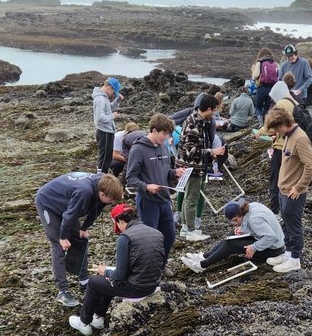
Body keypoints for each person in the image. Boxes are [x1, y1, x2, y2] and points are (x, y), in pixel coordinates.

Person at [69, 204, 166, 336]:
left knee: (94, 281)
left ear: (120, 221)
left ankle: (84, 322)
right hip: (152, 284)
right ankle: (98, 318)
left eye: (117, 224)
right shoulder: (156, 232)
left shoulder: (125, 238)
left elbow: (119, 275)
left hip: (137, 288)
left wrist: (105, 271)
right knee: (107, 282)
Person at [35, 171, 124, 307]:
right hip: (48, 203)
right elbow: (69, 215)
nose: (112, 203)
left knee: (80, 239)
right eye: (111, 200)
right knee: (59, 246)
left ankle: (84, 281)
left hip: (67, 204)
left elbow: (97, 208)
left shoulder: (104, 185)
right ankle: (63, 291)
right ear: (102, 194)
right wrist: (63, 237)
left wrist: (84, 228)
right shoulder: (85, 192)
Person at [264, 106, 312, 273]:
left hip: (294, 192)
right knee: (286, 225)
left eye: (276, 129)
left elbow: (311, 165)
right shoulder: (287, 134)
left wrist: (299, 187)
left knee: (294, 226)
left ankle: (295, 259)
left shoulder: (300, 139)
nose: (276, 132)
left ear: (283, 124)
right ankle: (287, 253)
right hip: (283, 190)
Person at [125, 113, 183, 263]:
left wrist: (175, 173)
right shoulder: (138, 149)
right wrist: (146, 186)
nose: (165, 137)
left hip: (164, 199)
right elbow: (130, 177)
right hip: (147, 201)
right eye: (164, 134)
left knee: (169, 235)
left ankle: (161, 264)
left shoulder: (164, 148)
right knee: (151, 239)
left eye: (168, 134)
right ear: (154, 130)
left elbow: (165, 171)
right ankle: (148, 268)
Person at [181, 198, 285, 274]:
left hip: (273, 250)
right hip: (265, 241)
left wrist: (254, 247)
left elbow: (271, 237)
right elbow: (256, 226)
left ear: (240, 213)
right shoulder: (251, 207)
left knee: (232, 245)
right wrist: (243, 229)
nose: (235, 223)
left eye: (235, 220)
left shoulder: (254, 220)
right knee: (232, 235)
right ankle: (205, 256)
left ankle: (201, 265)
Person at [179, 94, 223, 241]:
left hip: (194, 166)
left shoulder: (199, 121)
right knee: (191, 198)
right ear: (209, 109)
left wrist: (210, 154)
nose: (214, 114)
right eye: (214, 111)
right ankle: (190, 231)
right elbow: (190, 151)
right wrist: (212, 152)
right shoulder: (194, 124)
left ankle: (186, 228)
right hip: (192, 167)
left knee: (188, 197)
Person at [93, 76, 122, 172]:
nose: (113, 94)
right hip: (103, 131)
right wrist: (113, 116)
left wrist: (117, 100)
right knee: (104, 157)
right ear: (109, 87)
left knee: (107, 156)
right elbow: (100, 118)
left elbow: (109, 109)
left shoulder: (103, 98)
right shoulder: (100, 99)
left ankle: (102, 176)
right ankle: (100, 177)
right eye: (113, 92)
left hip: (107, 131)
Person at [252, 47, 280, 124]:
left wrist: (253, 78)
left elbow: (255, 75)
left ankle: (261, 125)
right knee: (268, 108)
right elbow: (280, 76)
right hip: (272, 89)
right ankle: (266, 125)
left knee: (258, 108)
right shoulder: (275, 63)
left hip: (261, 88)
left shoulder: (259, 62)